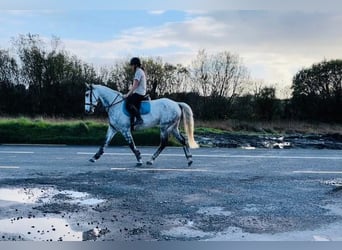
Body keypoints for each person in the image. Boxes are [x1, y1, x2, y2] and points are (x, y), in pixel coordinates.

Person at [124, 57, 146, 127]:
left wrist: (127, 95)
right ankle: (132, 124)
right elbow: (133, 86)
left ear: (135, 65)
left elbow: (135, 86)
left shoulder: (138, 72)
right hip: (139, 92)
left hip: (139, 93)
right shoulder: (139, 71)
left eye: (132, 65)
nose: (131, 67)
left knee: (128, 103)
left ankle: (139, 119)